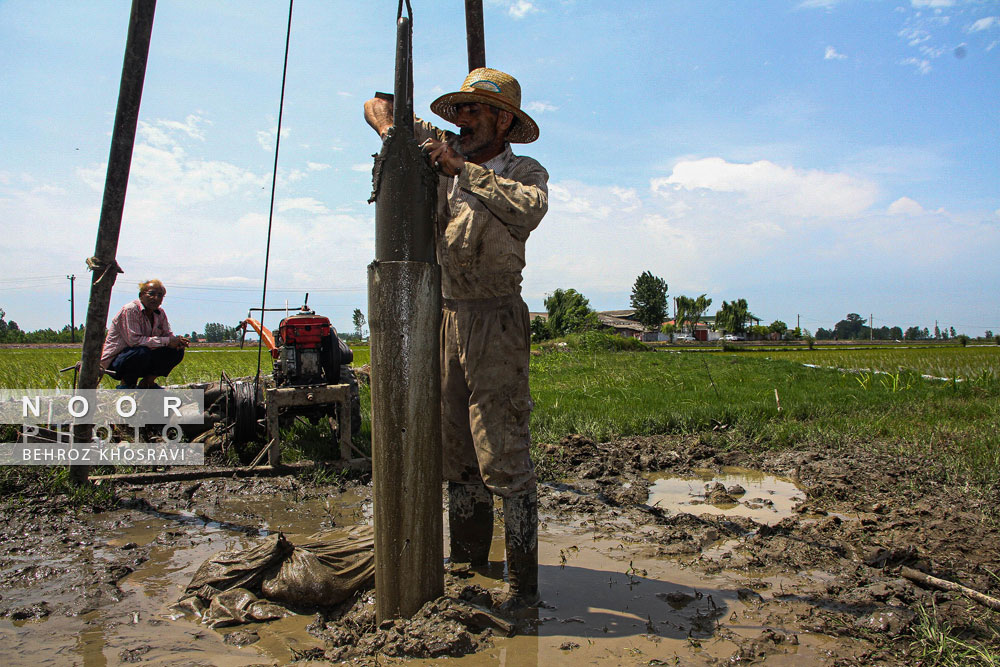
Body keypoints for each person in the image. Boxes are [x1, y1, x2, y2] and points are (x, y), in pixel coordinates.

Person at [365, 67, 548, 608]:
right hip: (447, 317)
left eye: (474, 111)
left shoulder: (524, 171)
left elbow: (528, 211)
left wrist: (462, 169)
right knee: (455, 447)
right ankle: (470, 565)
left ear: (504, 120)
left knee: (503, 449)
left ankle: (523, 587)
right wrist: (388, 130)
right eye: (459, 112)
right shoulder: (440, 150)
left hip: (496, 319)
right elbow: (381, 107)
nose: (462, 120)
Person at [100, 279, 189, 388]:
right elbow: (135, 341)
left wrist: (177, 341)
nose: (156, 298)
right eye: (151, 294)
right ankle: (127, 385)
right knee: (141, 351)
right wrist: (168, 341)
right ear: (141, 295)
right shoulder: (131, 310)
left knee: (176, 350)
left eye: (160, 295)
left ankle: (148, 382)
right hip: (117, 361)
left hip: (144, 358)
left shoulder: (160, 313)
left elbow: (167, 335)